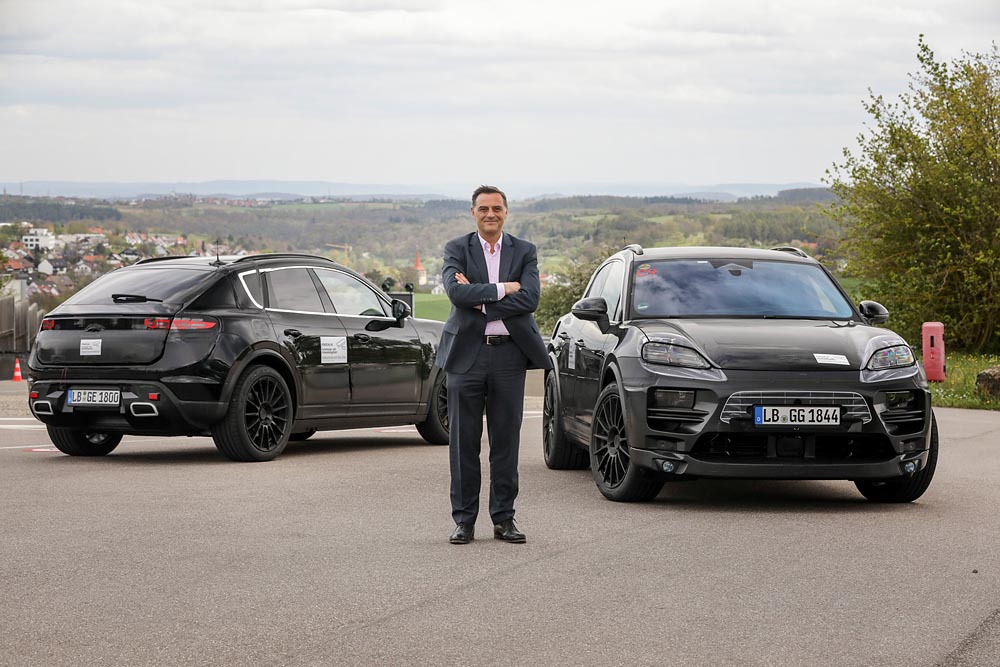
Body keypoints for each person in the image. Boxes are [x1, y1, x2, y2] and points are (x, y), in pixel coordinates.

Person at [436, 185, 551, 545]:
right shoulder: (456, 249)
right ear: (473, 212)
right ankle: (464, 521)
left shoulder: (525, 251)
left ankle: (504, 519)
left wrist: (482, 298)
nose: (490, 214)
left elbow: (530, 298)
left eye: (497, 208)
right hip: (465, 357)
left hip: (508, 357)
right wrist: (504, 289)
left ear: (506, 212)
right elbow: (456, 294)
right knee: (463, 443)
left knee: (506, 442)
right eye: (483, 208)